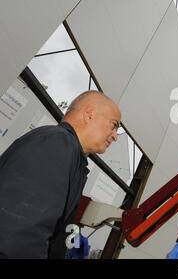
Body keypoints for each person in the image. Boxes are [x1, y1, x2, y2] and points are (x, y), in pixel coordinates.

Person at [0, 90, 121, 258]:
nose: (115, 136)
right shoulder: (56, 143)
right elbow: (18, 233)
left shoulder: (70, 155)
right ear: (89, 115)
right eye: (114, 125)